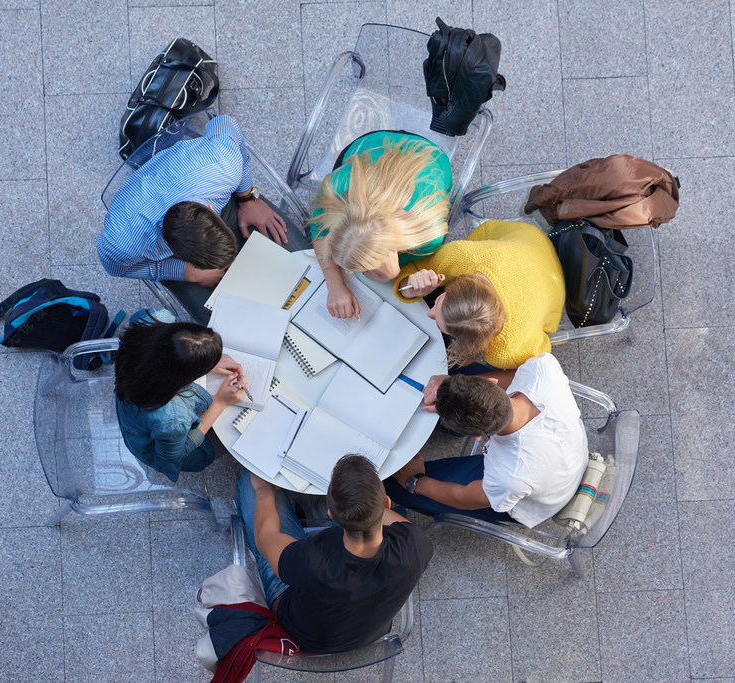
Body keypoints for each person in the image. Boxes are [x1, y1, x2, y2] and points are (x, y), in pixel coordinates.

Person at [98, 114, 311, 322]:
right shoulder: (122, 244)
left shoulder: (224, 165)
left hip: (213, 188)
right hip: (163, 246)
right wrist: (186, 271)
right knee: (219, 326)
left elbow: (224, 122)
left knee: (305, 265)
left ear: (210, 208)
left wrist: (247, 197)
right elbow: (117, 268)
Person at [234, 455, 433, 654]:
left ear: (332, 515)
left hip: (303, 635)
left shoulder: (310, 560)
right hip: (368, 633)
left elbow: (265, 538)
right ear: (387, 504)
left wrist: (264, 491)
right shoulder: (416, 545)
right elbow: (386, 520)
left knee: (249, 475)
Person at [386, 353, 588, 528]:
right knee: (454, 368)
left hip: (542, 495)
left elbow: (464, 497)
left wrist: (415, 482)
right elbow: (515, 376)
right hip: (568, 450)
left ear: (476, 437)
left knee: (394, 485)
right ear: (492, 382)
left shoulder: (509, 477)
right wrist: (450, 383)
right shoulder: (543, 370)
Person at [309, 131, 452, 319]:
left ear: (394, 251)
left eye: (358, 269)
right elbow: (319, 229)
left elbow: (392, 275)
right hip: (373, 148)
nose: (349, 273)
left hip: (430, 158)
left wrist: (392, 273)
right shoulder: (338, 185)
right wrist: (334, 283)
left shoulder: (428, 234)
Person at [393, 219, 565, 369]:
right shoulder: (462, 257)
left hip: (550, 275)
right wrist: (410, 286)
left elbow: (542, 361)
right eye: (437, 303)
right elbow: (411, 266)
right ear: (458, 283)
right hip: (526, 238)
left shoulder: (508, 350)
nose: (429, 312)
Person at [114, 314, 248, 481]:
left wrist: (203, 357)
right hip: (158, 445)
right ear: (181, 378)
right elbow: (174, 457)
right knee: (241, 429)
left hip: (134, 416)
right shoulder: (171, 419)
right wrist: (220, 402)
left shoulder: (147, 321)